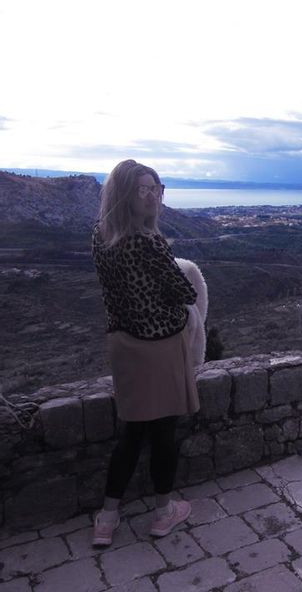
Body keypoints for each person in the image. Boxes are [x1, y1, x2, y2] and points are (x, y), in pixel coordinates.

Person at [90, 159, 199, 546]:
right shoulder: (148, 242)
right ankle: (163, 512)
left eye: (157, 188)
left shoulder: (99, 236)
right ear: (125, 194)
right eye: (144, 189)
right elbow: (185, 293)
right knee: (163, 432)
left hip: (124, 346)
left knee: (131, 433)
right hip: (160, 348)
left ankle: (107, 517)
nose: (153, 195)